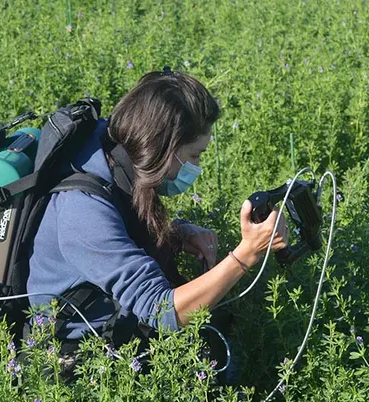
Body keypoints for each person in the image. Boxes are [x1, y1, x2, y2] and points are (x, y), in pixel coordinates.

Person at [26, 67, 289, 380]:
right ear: (163, 147)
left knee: (219, 328)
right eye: (195, 155)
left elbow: (121, 227)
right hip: (73, 353)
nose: (197, 167)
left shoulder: (117, 154)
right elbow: (164, 312)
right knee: (212, 366)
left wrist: (174, 233)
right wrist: (247, 253)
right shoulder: (82, 210)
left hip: (109, 318)